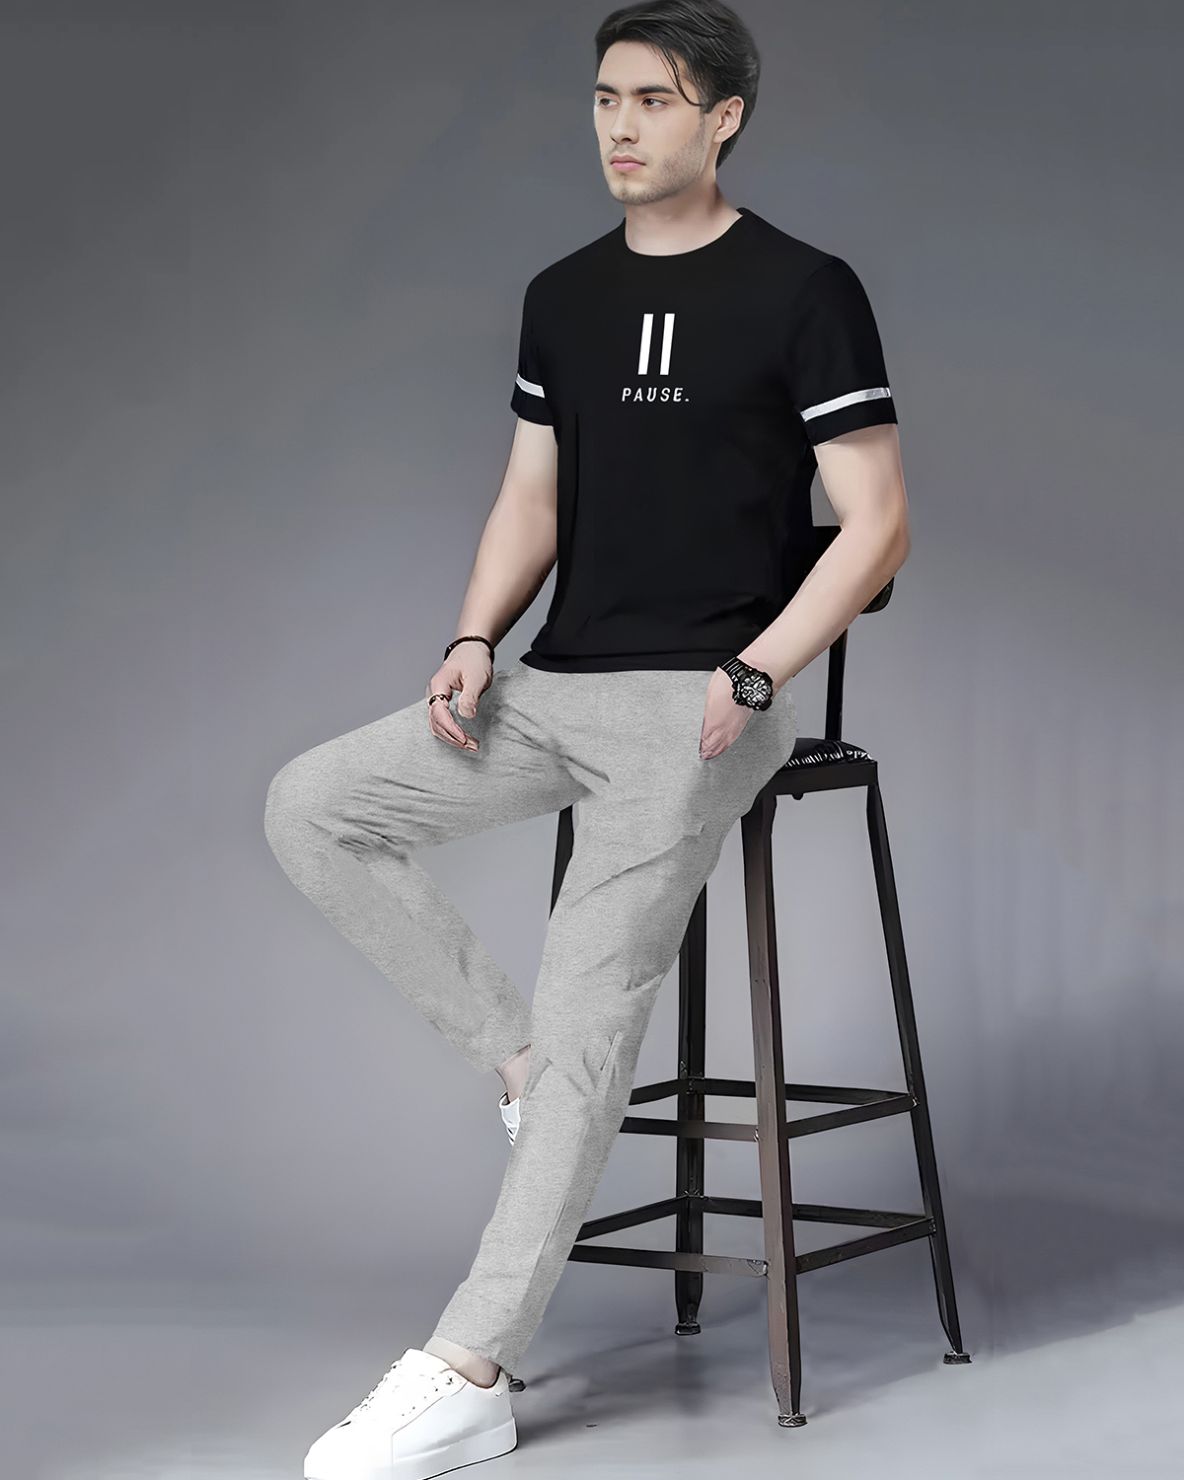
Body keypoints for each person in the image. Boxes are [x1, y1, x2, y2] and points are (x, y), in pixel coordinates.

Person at [265, 2, 911, 1476]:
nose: (621, 125)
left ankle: (471, 1368)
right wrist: (474, 636)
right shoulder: (562, 295)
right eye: (606, 98)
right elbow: (531, 497)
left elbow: (876, 526)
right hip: (556, 687)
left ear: (724, 116)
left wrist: (757, 673)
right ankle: (523, 1070)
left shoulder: (807, 290)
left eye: (655, 100)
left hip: (706, 705)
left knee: (594, 1002)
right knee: (313, 805)